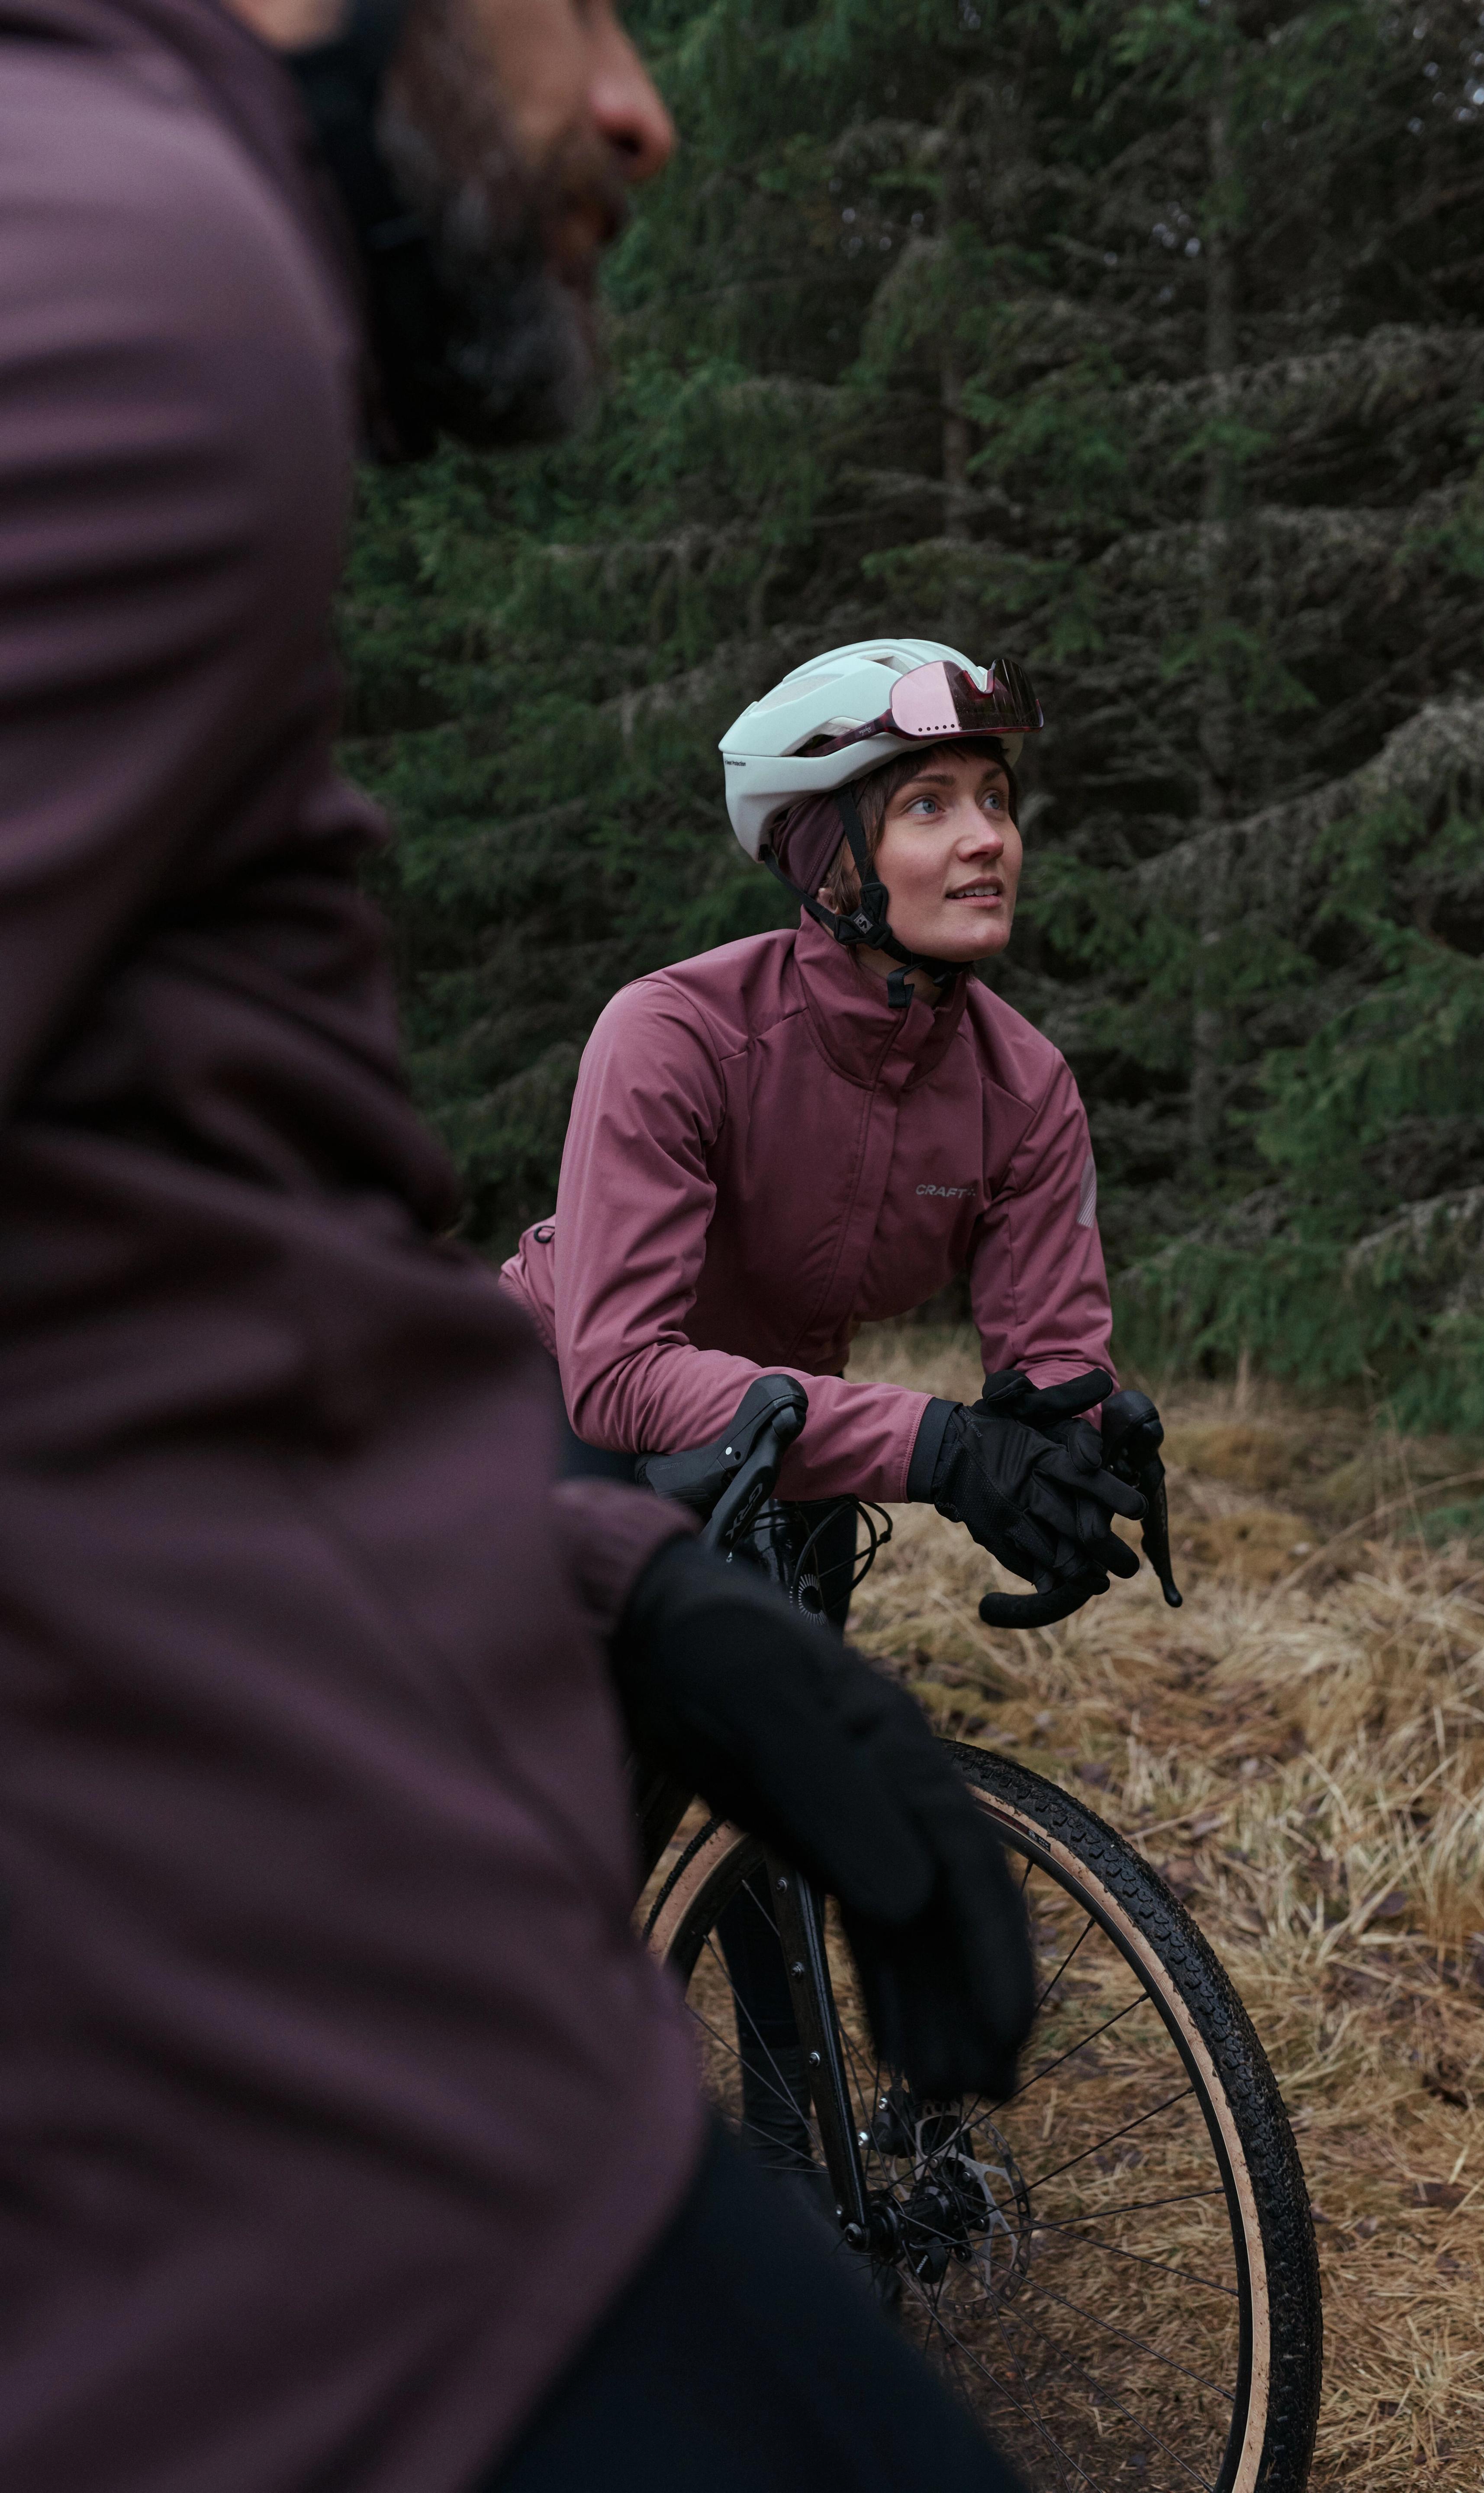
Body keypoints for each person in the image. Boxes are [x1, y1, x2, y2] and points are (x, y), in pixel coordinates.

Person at [0, 8, 1030, 2490]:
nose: (640, 104)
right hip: (300, 2166)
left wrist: (595, 1594)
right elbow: (603, 1326)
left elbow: (142, 1281)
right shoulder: (139, 277)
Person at [502, 637, 1156, 2169]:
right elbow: (620, 1367)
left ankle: (801, 2176)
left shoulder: (1021, 1087)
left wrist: (1083, 1448)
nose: (989, 834)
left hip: (774, 1446)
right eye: (929, 803)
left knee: (779, 1825)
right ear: (829, 853)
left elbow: (1051, 1352)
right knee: (566, 1859)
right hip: (557, 1427)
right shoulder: (675, 1031)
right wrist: (935, 1446)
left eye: (995, 797)